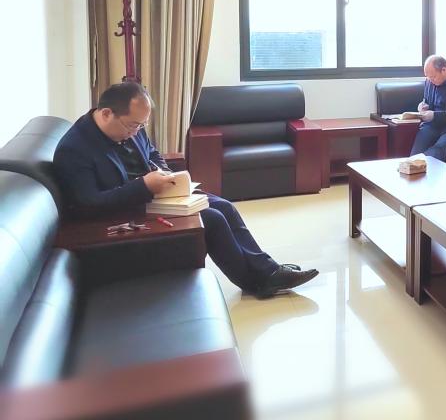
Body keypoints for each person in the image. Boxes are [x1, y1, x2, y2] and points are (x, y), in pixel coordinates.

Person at [53, 82, 319, 299]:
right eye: (133, 126)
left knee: (224, 206)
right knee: (212, 218)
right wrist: (142, 187)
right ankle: (256, 282)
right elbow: (90, 204)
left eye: (141, 126)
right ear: (106, 113)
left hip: (152, 194)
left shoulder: (131, 126)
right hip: (122, 213)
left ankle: (267, 270)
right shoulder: (75, 148)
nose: (136, 132)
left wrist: (161, 170)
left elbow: (152, 152)